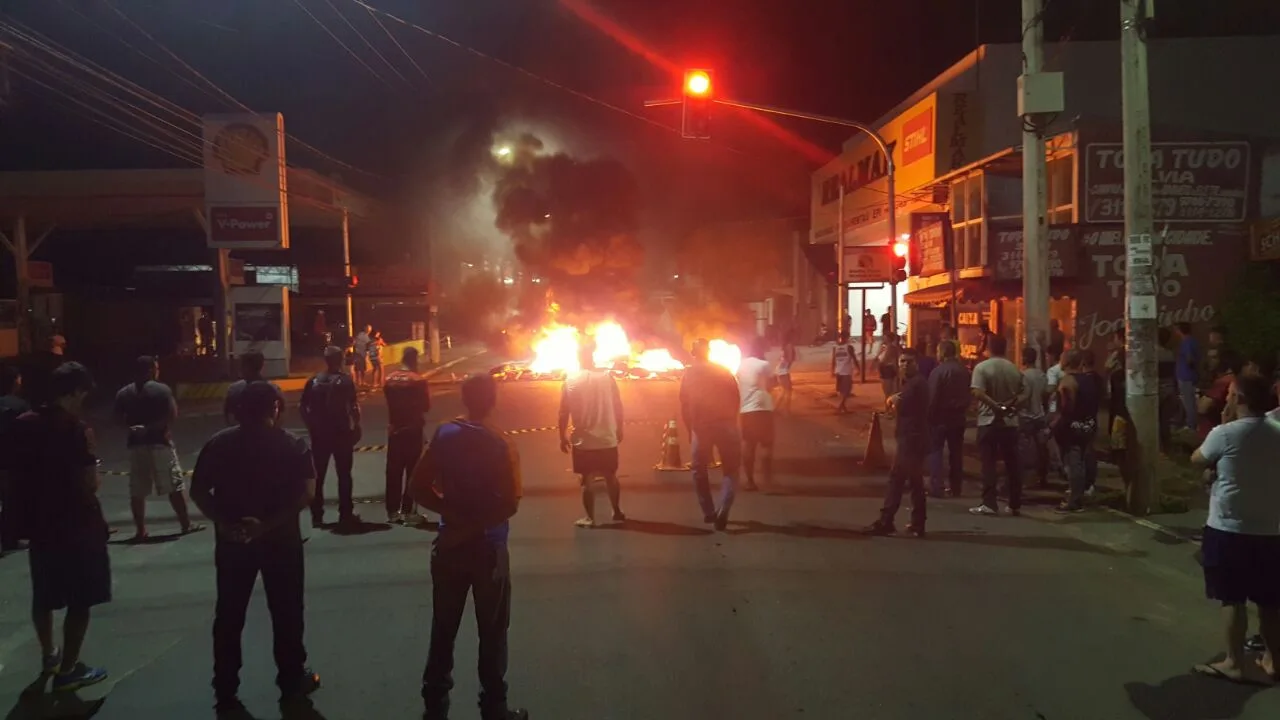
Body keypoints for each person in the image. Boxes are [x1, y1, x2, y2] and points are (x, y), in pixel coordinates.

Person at [190, 382, 321, 714]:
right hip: (281, 542)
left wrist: (225, 522)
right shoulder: (292, 445)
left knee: (230, 614)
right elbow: (305, 495)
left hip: (234, 544)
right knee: (287, 611)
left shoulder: (219, 444)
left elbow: (199, 491)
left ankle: (225, 684)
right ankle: (292, 678)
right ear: (275, 408)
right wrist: (267, 525)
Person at [409, 374, 529, 720]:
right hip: (488, 551)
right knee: (492, 631)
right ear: (493, 399)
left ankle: (434, 707)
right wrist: (473, 527)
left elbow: (417, 488)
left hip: (448, 549)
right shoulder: (501, 443)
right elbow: (509, 504)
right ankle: (494, 708)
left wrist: (453, 519)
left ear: (463, 398)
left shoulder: (445, 433)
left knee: (443, 628)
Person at [10, 362, 111, 691]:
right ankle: (70, 669)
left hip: (38, 523)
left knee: (44, 593)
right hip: (77, 522)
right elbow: (88, 483)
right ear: (76, 391)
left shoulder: (22, 424)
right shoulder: (76, 428)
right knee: (80, 598)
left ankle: (49, 654)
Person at [1189, 374, 1280, 684]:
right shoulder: (1277, 431)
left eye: (1229, 394)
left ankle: (1234, 662)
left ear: (1239, 399)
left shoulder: (1225, 434)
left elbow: (1196, 459)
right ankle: (1274, 661)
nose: (1224, 399)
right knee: (1270, 601)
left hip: (1229, 528)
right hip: (1271, 529)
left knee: (1233, 598)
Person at [114, 356, 203, 541]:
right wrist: (150, 428)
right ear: (150, 370)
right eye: (156, 368)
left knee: (137, 490)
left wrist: (133, 429)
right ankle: (186, 524)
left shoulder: (123, 392)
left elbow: (116, 419)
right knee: (174, 485)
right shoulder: (162, 389)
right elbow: (172, 415)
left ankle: (140, 531)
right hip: (160, 443)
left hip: (136, 446)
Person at [558, 343, 625, 528]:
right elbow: (618, 405)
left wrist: (561, 435)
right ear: (593, 355)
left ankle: (590, 518)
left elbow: (563, 411)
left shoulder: (570, 380)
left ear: (578, 357)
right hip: (607, 438)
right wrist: (619, 428)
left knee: (587, 481)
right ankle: (617, 511)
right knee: (611, 476)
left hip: (583, 441)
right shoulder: (607, 377)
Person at [680, 339, 743, 531]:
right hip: (727, 426)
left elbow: (684, 404)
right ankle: (724, 507)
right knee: (731, 471)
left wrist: (690, 429)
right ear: (708, 352)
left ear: (694, 354)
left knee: (699, 470)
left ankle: (708, 512)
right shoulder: (723, 371)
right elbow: (736, 398)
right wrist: (731, 421)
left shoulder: (689, 374)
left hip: (701, 428)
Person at [866, 350, 929, 537]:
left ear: (916, 364)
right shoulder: (911, 384)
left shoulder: (917, 384)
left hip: (911, 440)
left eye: (909, 362)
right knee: (911, 481)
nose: (904, 365)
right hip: (910, 438)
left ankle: (887, 521)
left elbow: (898, 403)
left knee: (898, 479)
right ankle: (916, 523)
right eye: (902, 361)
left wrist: (893, 399)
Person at [299, 346, 362, 529]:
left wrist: (311, 425)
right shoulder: (345, 381)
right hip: (341, 433)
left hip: (319, 435)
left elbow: (303, 407)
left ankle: (317, 516)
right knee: (344, 475)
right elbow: (354, 407)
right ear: (340, 359)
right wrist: (356, 425)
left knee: (318, 476)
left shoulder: (314, 381)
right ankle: (345, 513)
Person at [969, 334, 1025, 516]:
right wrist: (1011, 405)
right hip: (1010, 422)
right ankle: (1015, 503)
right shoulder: (1014, 369)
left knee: (988, 463)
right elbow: (1024, 393)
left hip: (988, 421)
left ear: (989, 348)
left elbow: (977, 392)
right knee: (1012, 463)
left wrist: (995, 406)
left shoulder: (982, 368)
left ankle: (989, 503)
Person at [384, 346, 432, 524]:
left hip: (394, 430)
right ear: (414, 360)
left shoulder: (389, 379)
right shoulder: (418, 381)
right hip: (413, 431)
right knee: (413, 472)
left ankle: (392, 512)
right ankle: (409, 512)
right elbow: (426, 406)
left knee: (393, 472)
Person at [1054, 350, 1101, 513]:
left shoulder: (1067, 381)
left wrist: (1056, 425)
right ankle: (1083, 492)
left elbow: (1067, 407)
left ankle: (1074, 501)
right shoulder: (1089, 381)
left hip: (1072, 427)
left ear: (1065, 362)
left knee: (1073, 463)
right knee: (1084, 458)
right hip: (1089, 425)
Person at [927, 340, 970, 498]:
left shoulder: (938, 372)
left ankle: (936, 486)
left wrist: (928, 417)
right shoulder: (964, 371)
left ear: (943, 353)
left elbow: (932, 397)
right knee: (956, 453)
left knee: (936, 451)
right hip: (958, 417)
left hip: (940, 418)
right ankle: (956, 487)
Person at [737, 338, 777, 493]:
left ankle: (749, 481)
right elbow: (773, 384)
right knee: (767, 444)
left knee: (748, 444)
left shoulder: (740, 365)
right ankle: (767, 481)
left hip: (746, 409)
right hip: (763, 408)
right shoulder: (764, 365)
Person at [1, 363, 31, 555]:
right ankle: (10, 538)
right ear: (15, 381)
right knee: (11, 500)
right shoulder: (20, 405)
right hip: (12, 461)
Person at [223, 350, 284, 427]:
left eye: (241, 365)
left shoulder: (234, 389)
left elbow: (229, 416)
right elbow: (281, 415)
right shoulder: (274, 389)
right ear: (262, 366)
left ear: (245, 367)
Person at [1019, 347, 1050, 488]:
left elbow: (1023, 398)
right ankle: (1042, 477)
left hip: (1026, 417)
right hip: (1040, 415)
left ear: (1025, 358)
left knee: (1024, 450)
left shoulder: (1023, 376)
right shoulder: (1042, 375)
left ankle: (1025, 479)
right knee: (1041, 449)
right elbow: (1045, 395)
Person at [1173, 322, 1200, 431]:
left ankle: (1191, 426)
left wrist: (1189, 366)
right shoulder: (1194, 341)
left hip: (1186, 376)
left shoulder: (1186, 342)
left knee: (1189, 403)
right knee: (1188, 402)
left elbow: (1190, 358)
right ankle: (1188, 423)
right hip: (1190, 376)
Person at [831, 332, 857, 414]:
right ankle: (839, 407)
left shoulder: (836, 347)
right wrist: (858, 368)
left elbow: (833, 360)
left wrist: (832, 371)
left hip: (838, 371)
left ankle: (843, 408)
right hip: (846, 372)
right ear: (847, 337)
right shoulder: (849, 347)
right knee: (846, 391)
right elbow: (854, 358)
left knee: (842, 391)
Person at [776, 329, 797, 416]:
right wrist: (791, 359)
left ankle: (776, 409)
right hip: (783, 370)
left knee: (784, 390)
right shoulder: (789, 346)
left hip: (781, 370)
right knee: (788, 390)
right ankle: (786, 411)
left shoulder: (785, 345)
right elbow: (789, 358)